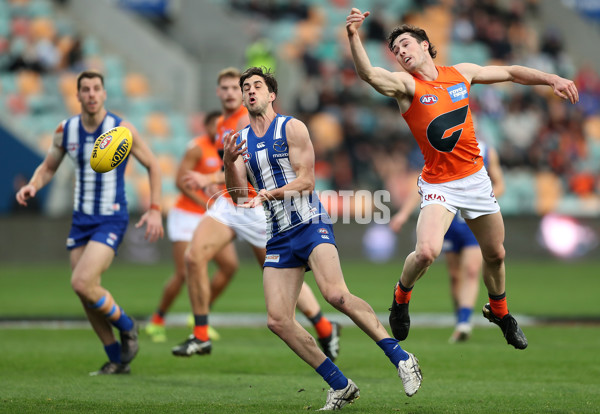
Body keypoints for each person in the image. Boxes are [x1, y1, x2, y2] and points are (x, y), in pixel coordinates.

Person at [346, 8, 579, 350]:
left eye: (407, 44)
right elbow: (367, 74)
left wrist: (552, 79)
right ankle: (401, 295)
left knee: (496, 254)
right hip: (439, 184)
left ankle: (499, 311)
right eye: (396, 51)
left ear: (426, 45)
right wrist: (353, 35)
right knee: (426, 253)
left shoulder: (461, 73)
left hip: (475, 179)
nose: (401, 53)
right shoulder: (406, 86)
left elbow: (512, 72)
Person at [223, 66, 422, 410]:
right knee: (278, 320)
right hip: (278, 235)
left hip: (309, 222)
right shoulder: (240, 141)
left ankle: (402, 358)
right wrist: (228, 162)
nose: (250, 90)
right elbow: (240, 196)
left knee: (335, 294)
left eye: (257, 85)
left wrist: (269, 195)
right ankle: (340, 385)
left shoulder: (292, 127)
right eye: (246, 87)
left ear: (272, 95)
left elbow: (307, 181)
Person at [171, 67, 341, 361]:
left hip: (262, 206)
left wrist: (205, 178)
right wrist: (216, 177)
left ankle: (325, 326)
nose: (230, 93)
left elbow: (253, 157)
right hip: (233, 202)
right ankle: (201, 336)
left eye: (235, 88)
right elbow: (232, 164)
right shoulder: (224, 123)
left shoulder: (251, 118)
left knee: (282, 273)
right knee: (194, 255)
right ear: (218, 92)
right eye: (224, 88)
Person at [15, 69, 164, 374]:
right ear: (78, 94)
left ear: (104, 93)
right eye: (86, 89)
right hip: (81, 218)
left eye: (97, 88)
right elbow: (47, 167)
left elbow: (153, 165)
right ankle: (116, 359)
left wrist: (155, 208)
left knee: (82, 282)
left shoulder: (121, 129)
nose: (92, 94)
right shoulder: (65, 130)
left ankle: (127, 325)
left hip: (110, 217)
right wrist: (33, 184)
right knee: (85, 292)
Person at [390, 143, 505, 343]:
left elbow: (499, 183)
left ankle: (464, 323)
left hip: (471, 218)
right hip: (448, 217)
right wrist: (403, 214)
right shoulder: (442, 146)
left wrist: (481, 199)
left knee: (470, 269)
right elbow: (423, 184)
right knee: (454, 274)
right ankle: (459, 317)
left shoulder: (486, 151)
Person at [145, 111, 232, 343]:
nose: (219, 130)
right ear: (207, 127)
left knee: (230, 266)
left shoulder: (232, 149)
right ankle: (157, 319)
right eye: (215, 126)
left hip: (213, 217)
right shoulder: (197, 148)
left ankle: (201, 314)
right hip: (186, 215)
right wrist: (207, 203)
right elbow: (179, 181)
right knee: (183, 273)